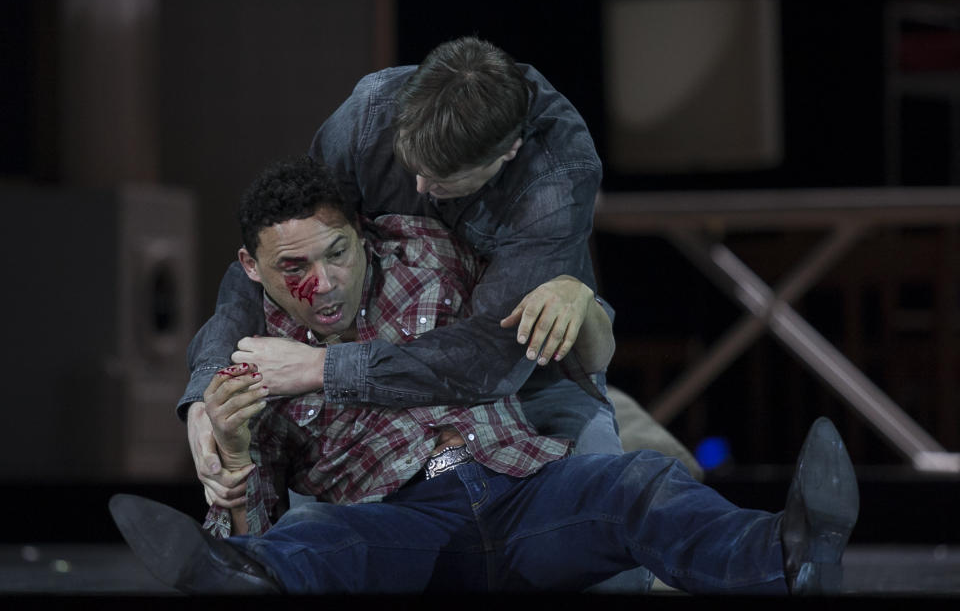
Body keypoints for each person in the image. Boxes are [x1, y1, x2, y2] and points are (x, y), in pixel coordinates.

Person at [111, 156, 859, 595]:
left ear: (362, 232)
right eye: (294, 268)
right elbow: (253, 519)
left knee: (640, 484)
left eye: (338, 252)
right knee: (318, 543)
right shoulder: (253, 361)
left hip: (519, 486)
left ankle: (787, 556)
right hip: (399, 520)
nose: (326, 283)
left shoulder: (430, 253)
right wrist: (236, 460)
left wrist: (572, 289)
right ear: (252, 269)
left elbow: (543, 282)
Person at [179, 37, 672, 513]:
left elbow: (491, 359)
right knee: (320, 530)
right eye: (410, 166)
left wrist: (322, 369)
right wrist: (205, 390)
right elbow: (278, 246)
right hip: (389, 357)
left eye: (441, 182)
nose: (418, 187)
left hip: (520, 370)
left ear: (507, 153)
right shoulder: (369, 116)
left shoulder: (553, 176)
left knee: (605, 514)